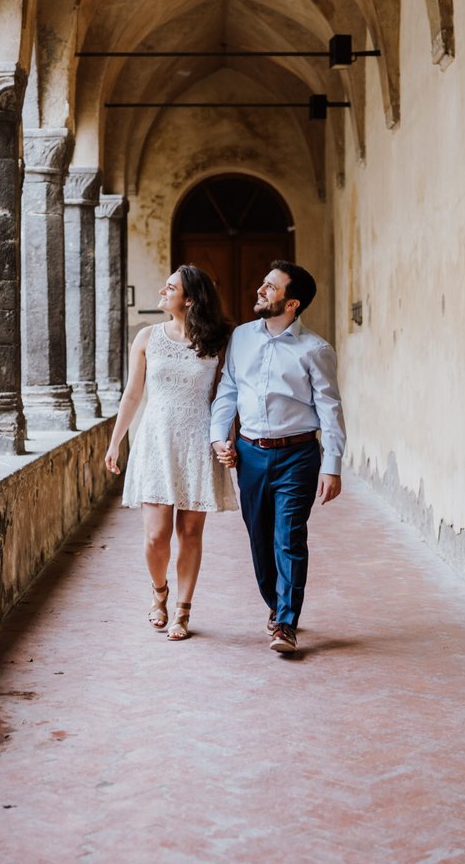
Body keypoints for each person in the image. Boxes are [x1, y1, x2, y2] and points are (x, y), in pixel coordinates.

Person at [210, 261, 345, 654]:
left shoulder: (315, 350)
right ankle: (275, 604)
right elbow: (228, 390)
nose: (260, 290)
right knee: (259, 539)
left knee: (288, 537)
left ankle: (286, 622)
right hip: (249, 455)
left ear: (292, 303)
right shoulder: (240, 337)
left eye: (270, 287)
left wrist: (332, 466)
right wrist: (220, 437)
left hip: (298, 455)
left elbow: (330, 409)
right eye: (263, 283)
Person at [105, 266, 237, 641]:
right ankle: (159, 592)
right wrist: (115, 442)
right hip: (156, 440)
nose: (162, 292)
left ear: (190, 299)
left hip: (198, 440)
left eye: (170, 288)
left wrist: (225, 440)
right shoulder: (147, 337)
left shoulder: (216, 342)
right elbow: (133, 394)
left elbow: (223, 399)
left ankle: (183, 610)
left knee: (191, 532)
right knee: (155, 537)